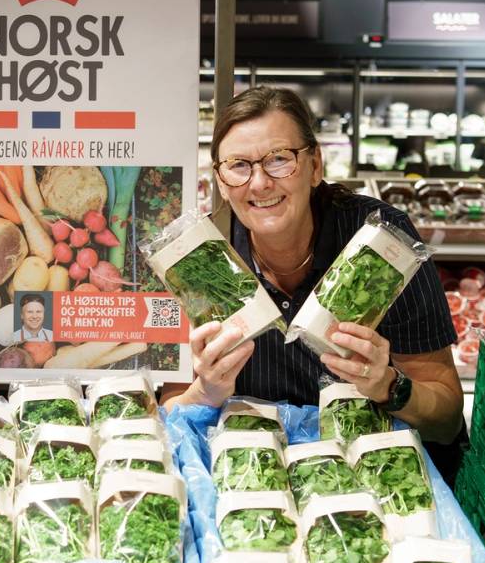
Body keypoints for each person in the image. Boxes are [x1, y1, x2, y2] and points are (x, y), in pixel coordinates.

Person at [163, 87, 465, 481]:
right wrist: (205, 392)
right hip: (252, 479)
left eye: (278, 160)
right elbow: (167, 411)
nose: (259, 183)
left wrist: (389, 385)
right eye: (238, 165)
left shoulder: (382, 245)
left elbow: (446, 419)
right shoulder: (199, 259)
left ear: (315, 165)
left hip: (375, 477)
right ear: (219, 180)